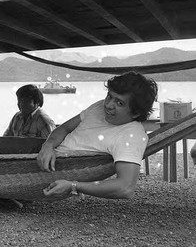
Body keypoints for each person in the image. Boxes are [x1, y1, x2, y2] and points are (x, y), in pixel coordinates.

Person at [37, 71, 158, 200]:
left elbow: (126, 188)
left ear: (136, 113)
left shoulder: (131, 135)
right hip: (44, 155)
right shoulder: (99, 107)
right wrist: (48, 145)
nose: (108, 105)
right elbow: (65, 128)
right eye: (109, 96)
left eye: (120, 103)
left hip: (54, 168)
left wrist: (74, 186)